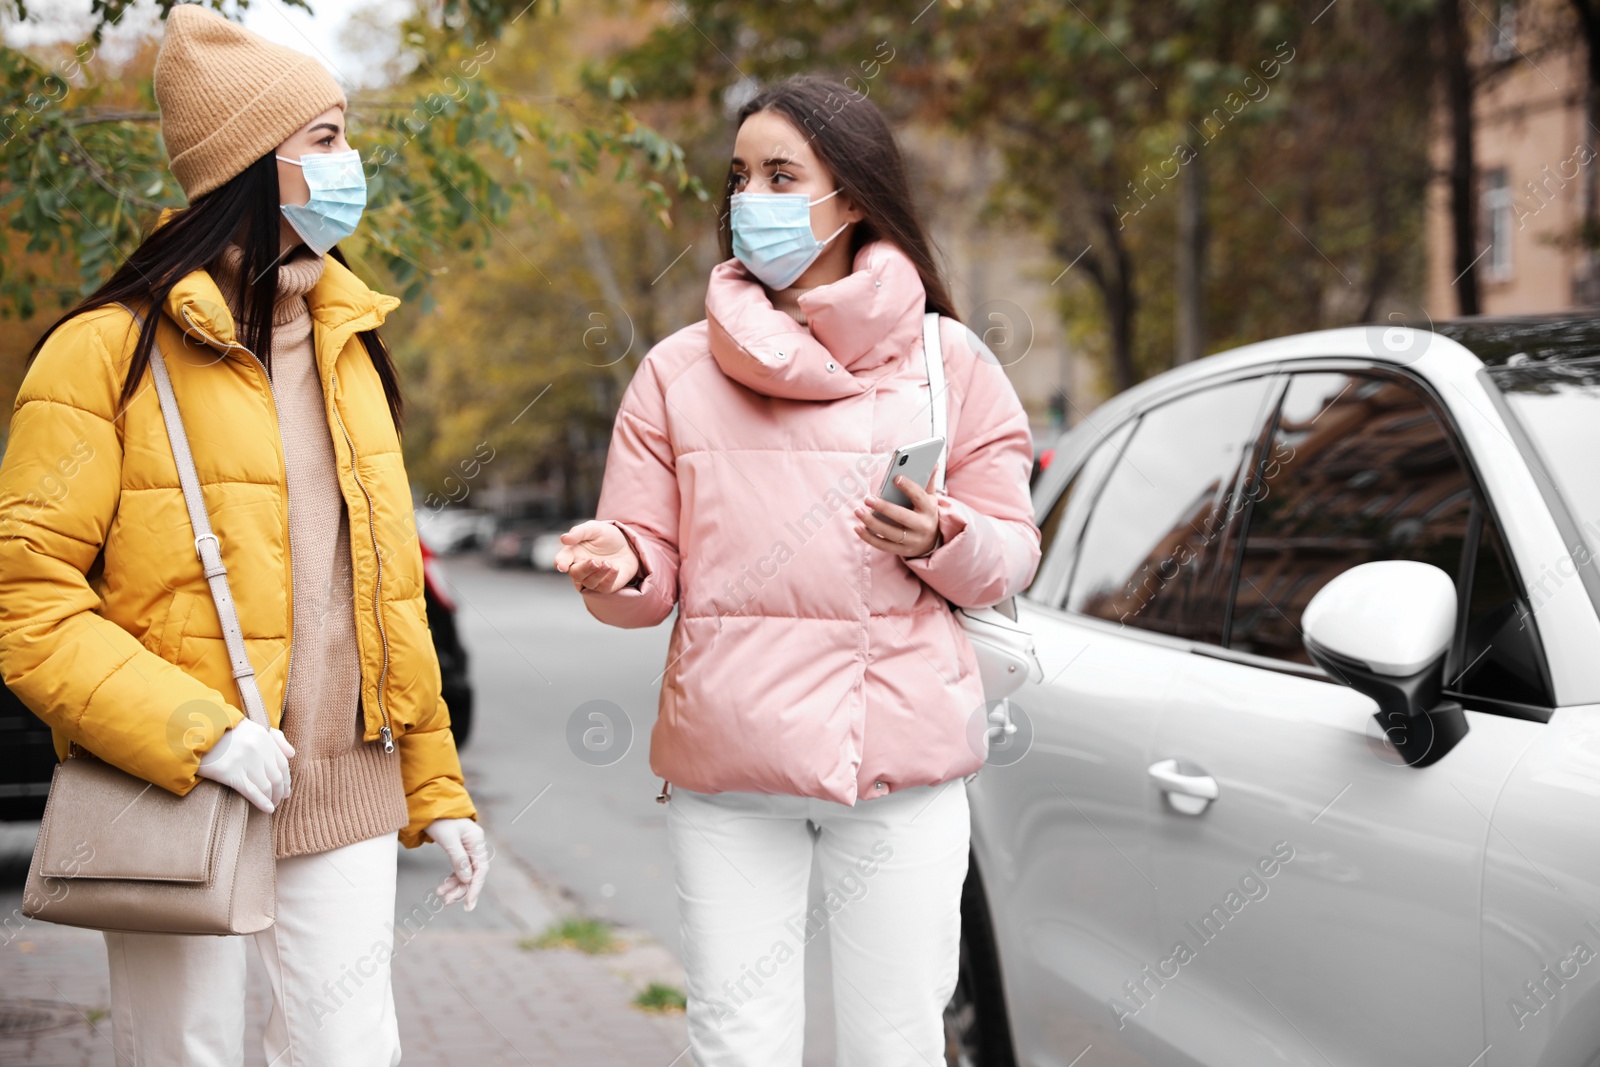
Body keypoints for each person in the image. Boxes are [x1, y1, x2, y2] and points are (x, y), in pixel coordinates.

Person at [0, 8, 486, 1064]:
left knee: (348, 1050)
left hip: (348, 786)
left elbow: (388, 595)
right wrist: (198, 733)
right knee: (187, 1051)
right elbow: (25, 601)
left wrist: (436, 790)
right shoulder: (101, 355)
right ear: (250, 168)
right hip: (175, 786)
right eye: (324, 138)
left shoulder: (353, 346)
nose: (350, 162)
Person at [555, 75, 1040, 1065]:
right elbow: (647, 566)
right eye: (741, 177)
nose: (754, 199)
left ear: (854, 196)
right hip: (728, 771)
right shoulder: (676, 373)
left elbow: (1010, 551)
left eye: (784, 175)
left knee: (895, 1044)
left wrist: (943, 538)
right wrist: (620, 564)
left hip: (898, 767)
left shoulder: (950, 364)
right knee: (737, 1042)